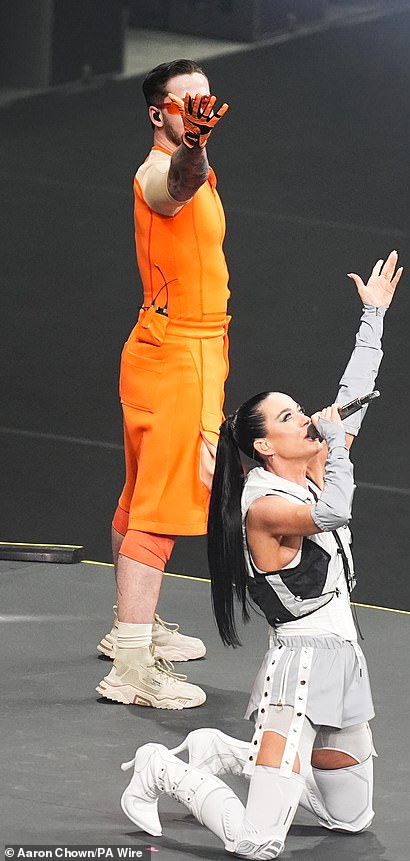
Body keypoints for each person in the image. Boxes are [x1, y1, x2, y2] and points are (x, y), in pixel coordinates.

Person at [119, 251, 403, 858]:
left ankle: (220, 750)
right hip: (297, 674)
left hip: (345, 659)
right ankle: (158, 769)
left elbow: (354, 396)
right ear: (263, 445)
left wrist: (372, 318)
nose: (305, 419)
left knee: (348, 819)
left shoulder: (312, 465)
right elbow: (334, 513)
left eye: (301, 411)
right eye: (290, 417)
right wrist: (337, 443)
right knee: (257, 842)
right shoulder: (264, 506)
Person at [96, 59, 230, 709]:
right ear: (159, 114)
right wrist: (195, 146)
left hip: (170, 345)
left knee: (137, 495)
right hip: (179, 357)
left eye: (206, 99)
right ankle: (130, 665)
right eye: (186, 103)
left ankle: (129, 628)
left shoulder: (190, 159)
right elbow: (177, 181)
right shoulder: (160, 168)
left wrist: (197, 144)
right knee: (164, 510)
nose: (200, 109)